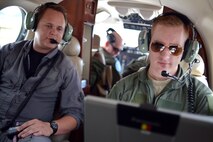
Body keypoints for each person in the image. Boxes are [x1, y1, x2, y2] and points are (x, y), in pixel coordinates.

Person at [0, 2, 84, 142]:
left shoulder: (67, 68)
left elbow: (76, 115)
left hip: (27, 134)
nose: (54, 33)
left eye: (59, 29)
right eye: (49, 26)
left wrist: (51, 127)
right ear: (34, 25)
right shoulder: (8, 51)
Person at [107, 12, 213, 115]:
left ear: (186, 52)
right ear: (147, 45)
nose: (165, 55)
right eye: (158, 45)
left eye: (174, 49)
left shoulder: (201, 96)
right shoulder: (122, 88)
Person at [90, 28, 123, 96]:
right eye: (115, 49)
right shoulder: (101, 58)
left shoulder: (103, 55)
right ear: (107, 43)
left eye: (120, 50)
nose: (117, 53)